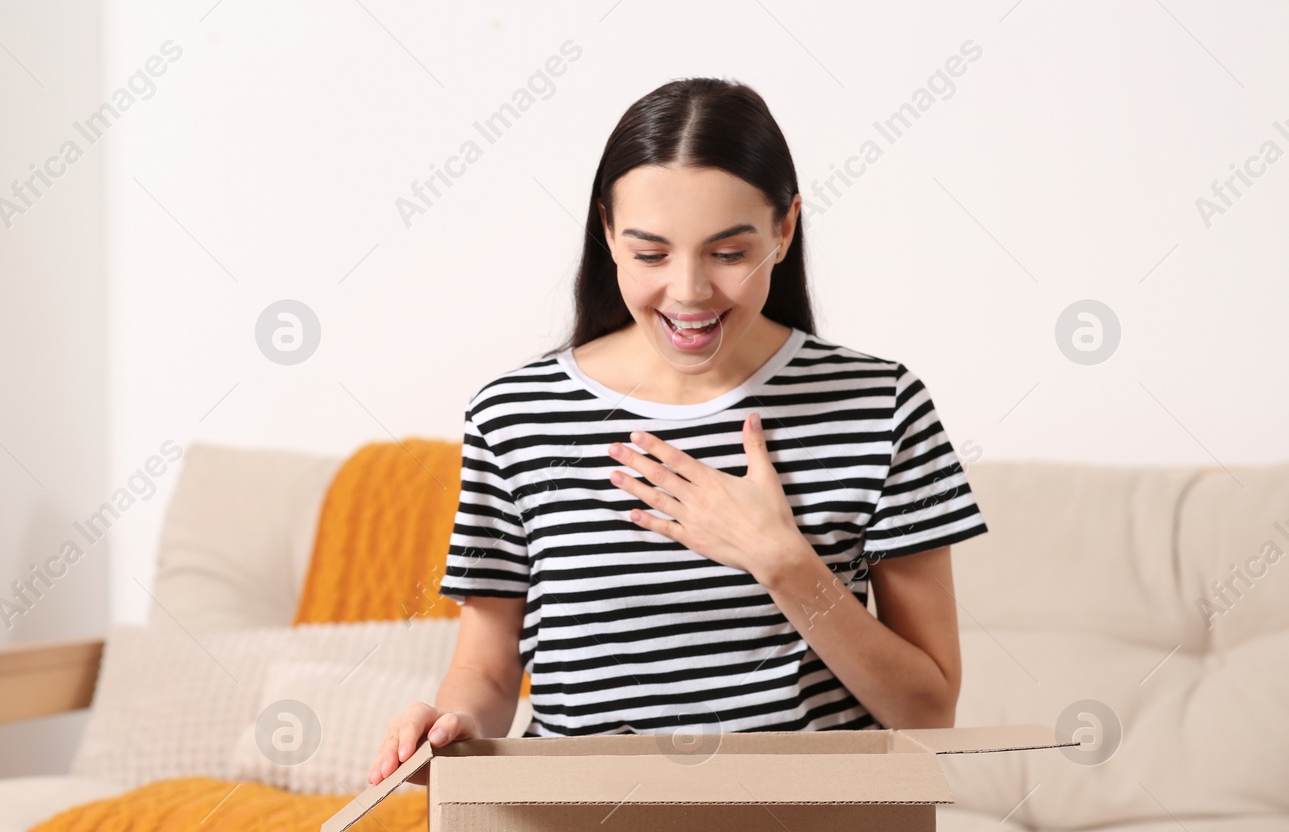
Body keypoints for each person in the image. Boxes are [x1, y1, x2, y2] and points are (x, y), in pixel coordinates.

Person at [368, 76, 988, 786]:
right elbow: (484, 667)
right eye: (651, 253)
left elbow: (929, 713)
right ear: (607, 231)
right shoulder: (515, 416)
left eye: (728, 253)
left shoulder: (881, 405)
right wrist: (454, 731)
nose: (690, 292)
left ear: (784, 230)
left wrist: (783, 563)